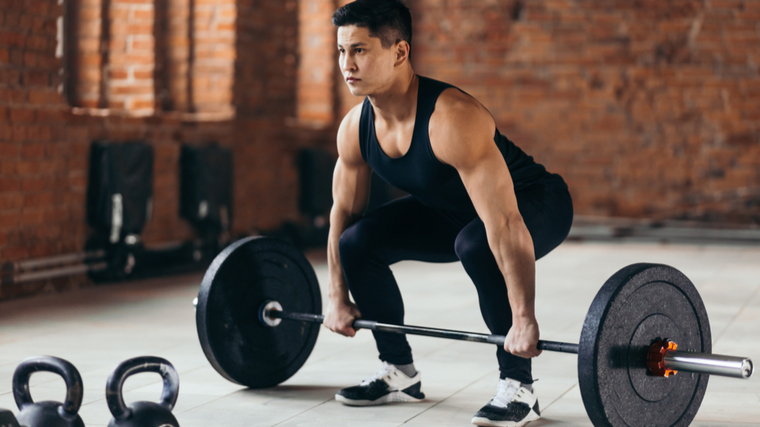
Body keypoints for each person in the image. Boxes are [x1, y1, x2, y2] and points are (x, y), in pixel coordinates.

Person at [323, 1, 573, 426]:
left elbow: (505, 223)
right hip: (453, 212)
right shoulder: (355, 128)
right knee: (357, 241)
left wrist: (524, 319)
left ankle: (520, 389)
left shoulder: (452, 118)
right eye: (342, 51)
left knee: (476, 245)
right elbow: (343, 215)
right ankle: (399, 372)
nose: (348, 63)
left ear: (400, 52)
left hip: (533, 202)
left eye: (361, 50)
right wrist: (337, 296)